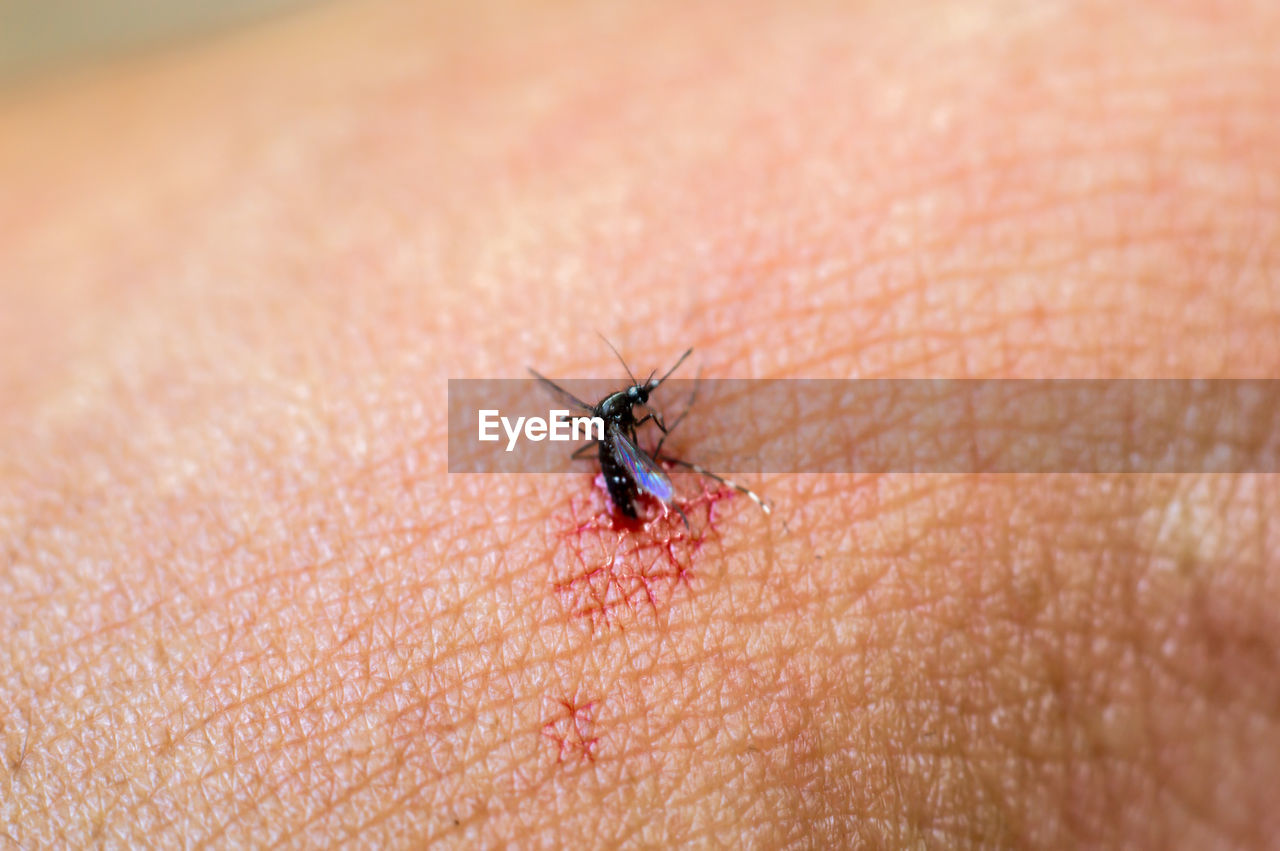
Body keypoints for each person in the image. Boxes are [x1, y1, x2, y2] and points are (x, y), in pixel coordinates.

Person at [2, 1, 1277, 846]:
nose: (639, 410)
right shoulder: (621, 441)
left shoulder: (602, 427)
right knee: (638, 469)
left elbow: (592, 427)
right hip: (621, 480)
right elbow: (609, 439)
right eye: (635, 406)